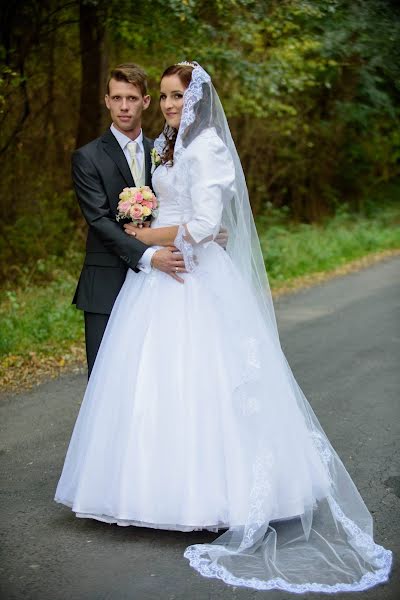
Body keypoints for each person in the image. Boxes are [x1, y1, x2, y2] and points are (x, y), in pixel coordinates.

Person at [55, 62, 392, 593]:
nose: (168, 105)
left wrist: (145, 232)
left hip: (190, 274)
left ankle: (217, 494)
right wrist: (155, 237)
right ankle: (146, 488)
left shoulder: (206, 145)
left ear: (195, 101)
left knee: (205, 379)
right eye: (163, 97)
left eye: (175, 97)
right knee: (151, 383)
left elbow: (205, 222)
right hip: (156, 278)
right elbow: (181, 211)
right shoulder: (167, 146)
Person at [71, 63, 187, 376]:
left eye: (132, 98)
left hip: (157, 289)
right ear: (107, 100)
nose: (124, 106)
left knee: (150, 378)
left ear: (146, 102)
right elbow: (99, 220)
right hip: (106, 284)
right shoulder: (87, 157)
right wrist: (151, 256)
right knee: (106, 379)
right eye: (117, 98)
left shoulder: (161, 154)